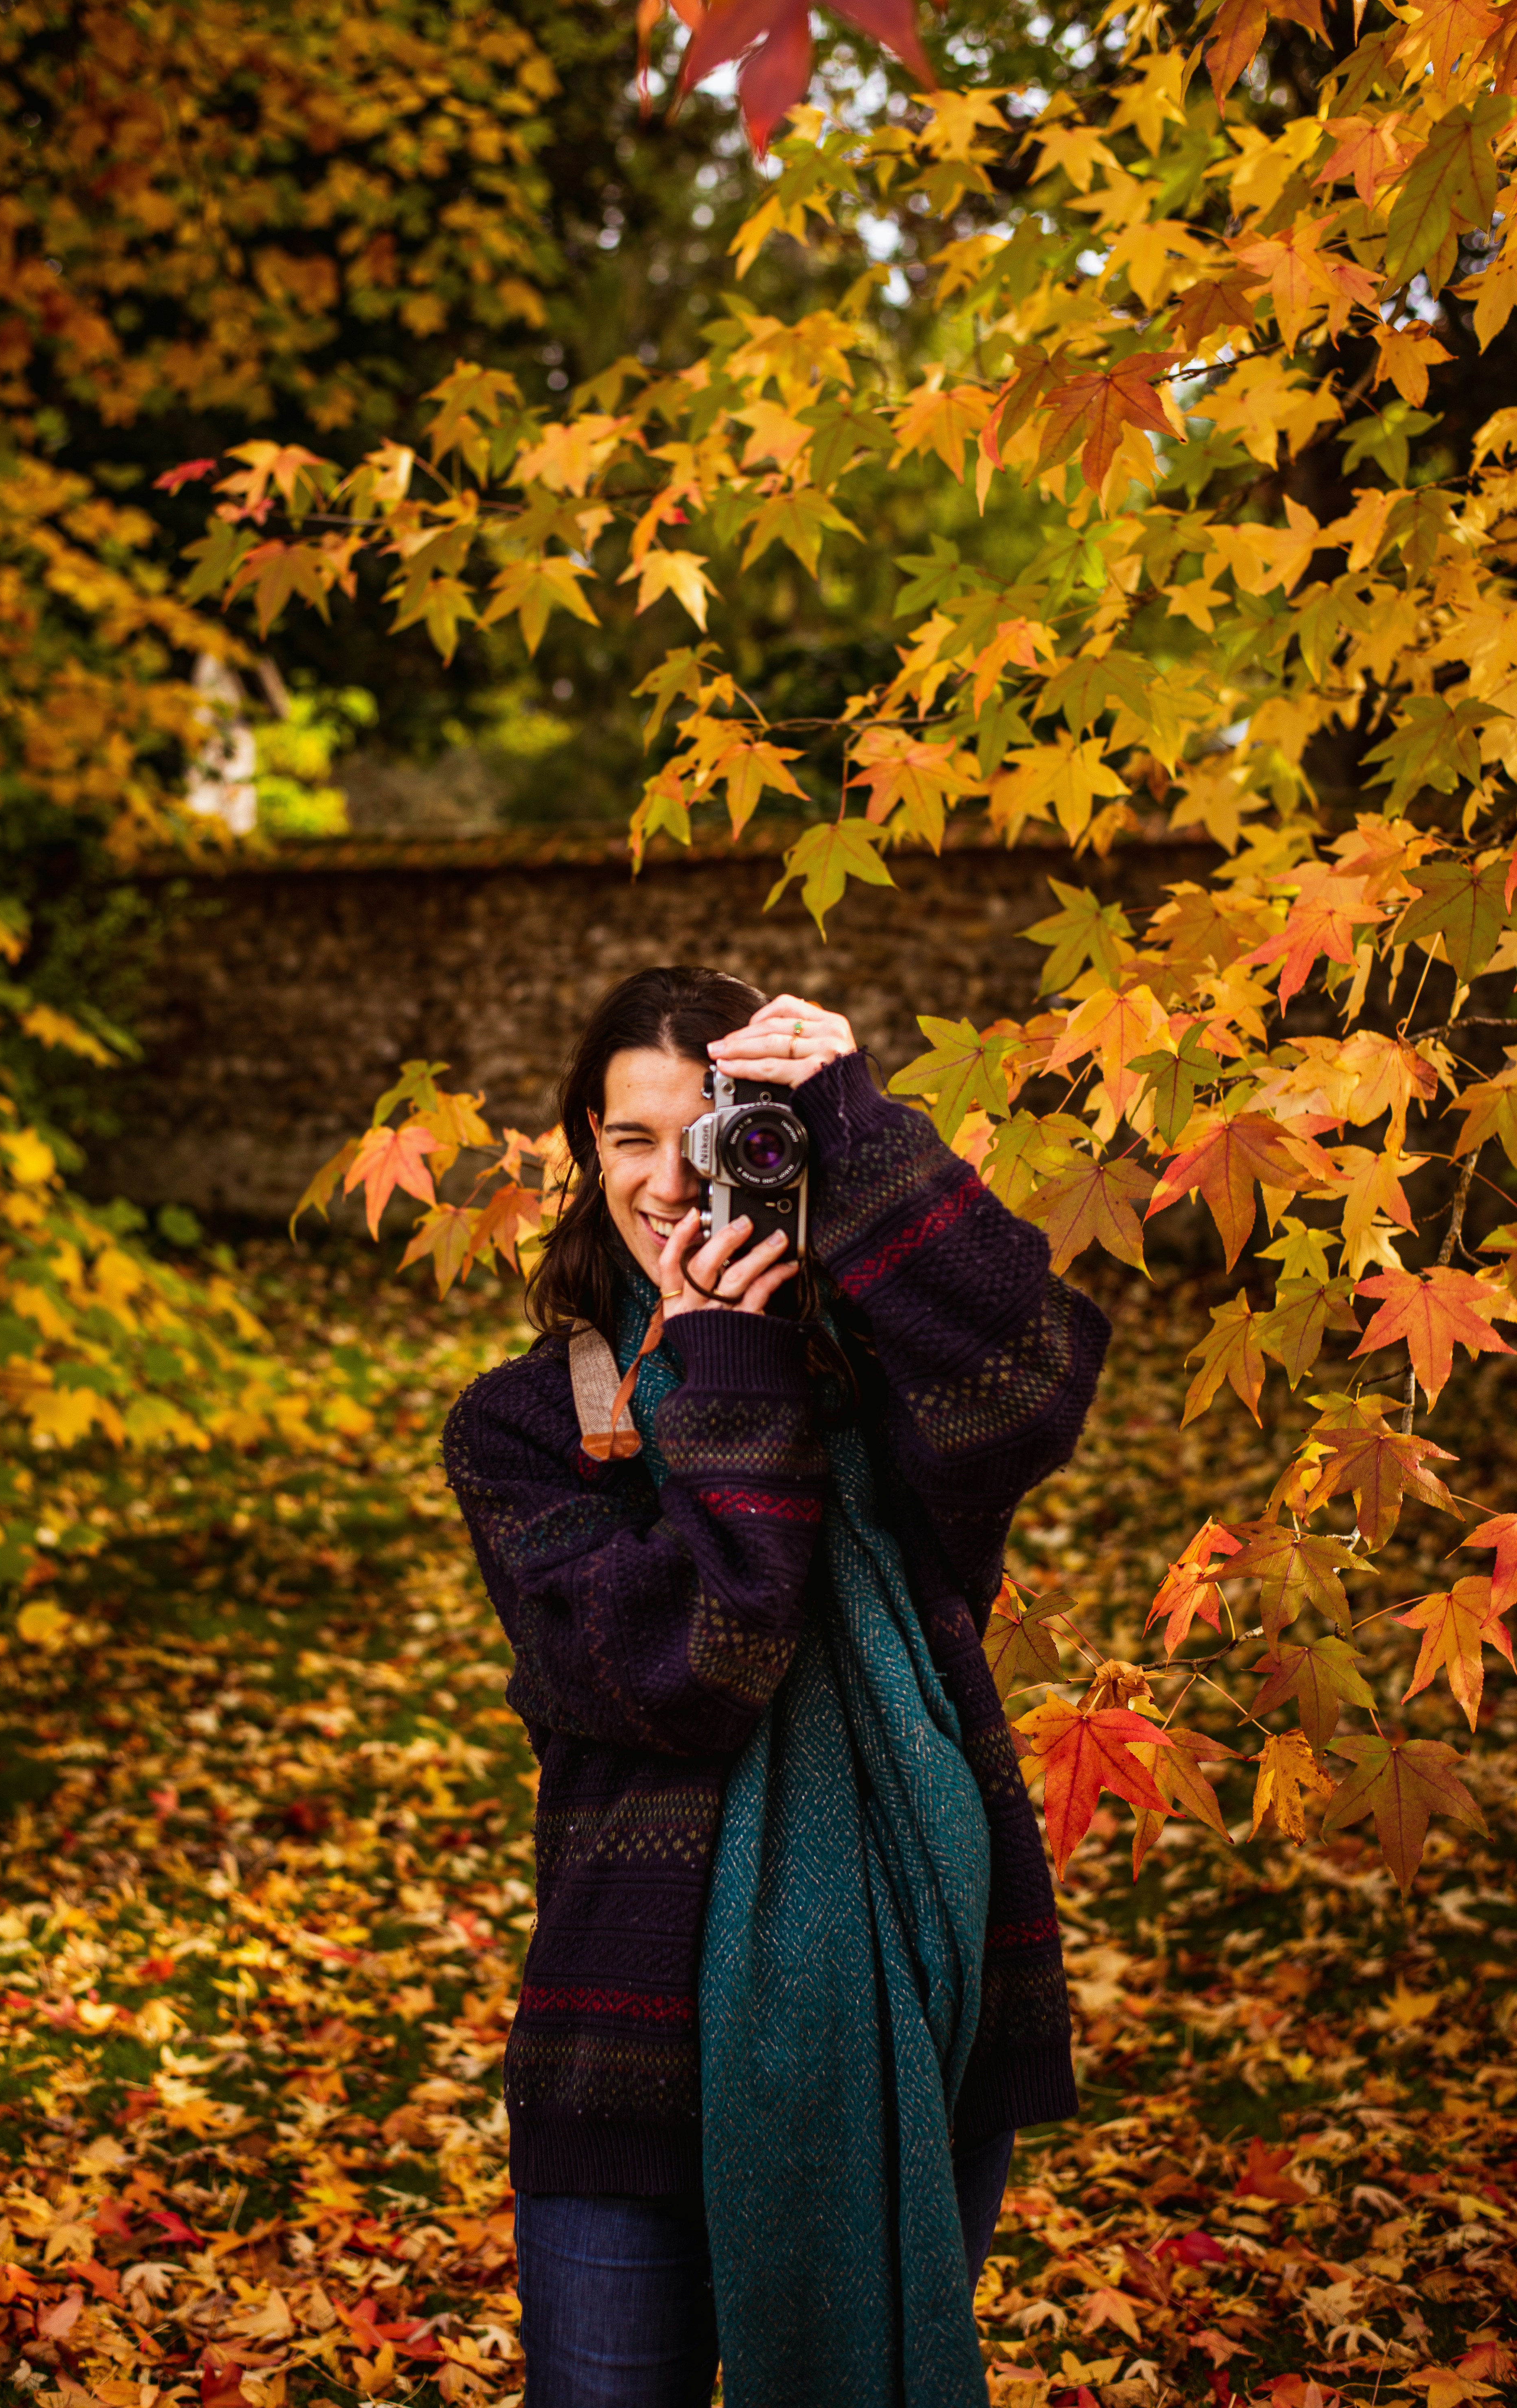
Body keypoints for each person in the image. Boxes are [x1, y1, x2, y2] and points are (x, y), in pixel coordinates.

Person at [444, 968, 1109, 2408]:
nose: (670, 1180)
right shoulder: (524, 1421)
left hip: (905, 1997)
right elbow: (694, 1673)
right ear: (585, 1151)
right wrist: (729, 1371)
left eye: (711, 1132)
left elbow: (1035, 1380)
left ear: (773, 1145)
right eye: (629, 1138)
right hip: (622, 2024)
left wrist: (866, 1125)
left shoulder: (893, 1381)